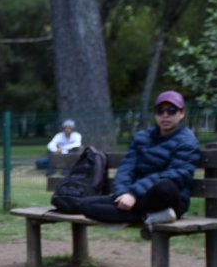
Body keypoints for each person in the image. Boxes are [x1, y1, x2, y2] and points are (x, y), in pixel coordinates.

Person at [76, 90, 200, 229]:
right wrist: (122, 193)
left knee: (166, 185)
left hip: (167, 200)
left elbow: (178, 174)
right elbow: (126, 168)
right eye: (160, 111)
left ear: (181, 113)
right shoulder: (142, 137)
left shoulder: (188, 141)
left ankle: (126, 216)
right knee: (84, 205)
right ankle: (145, 217)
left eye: (171, 110)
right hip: (136, 197)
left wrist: (134, 194)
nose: (165, 115)